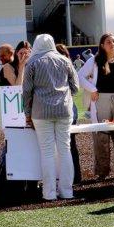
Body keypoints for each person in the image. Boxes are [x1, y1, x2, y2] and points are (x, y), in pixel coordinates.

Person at [24, 34, 79, 200]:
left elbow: (26, 92)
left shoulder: (32, 63)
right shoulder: (65, 60)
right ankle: (67, 191)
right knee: (65, 150)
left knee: (47, 152)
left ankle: (48, 193)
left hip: (41, 112)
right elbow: (75, 87)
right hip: (64, 110)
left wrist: (27, 114)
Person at [78, 33, 114, 180]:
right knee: (101, 137)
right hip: (101, 101)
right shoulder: (94, 61)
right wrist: (92, 89)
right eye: (108, 42)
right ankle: (102, 172)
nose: (112, 44)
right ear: (102, 45)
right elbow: (79, 76)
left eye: (113, 41)